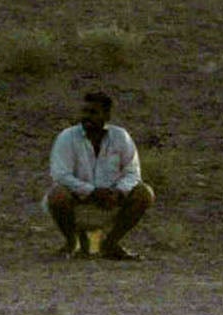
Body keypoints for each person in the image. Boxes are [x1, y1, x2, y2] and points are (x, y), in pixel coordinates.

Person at [44, 89, 154, 261]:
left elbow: (133, 173)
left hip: (112, 201)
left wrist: (118, 192)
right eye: (85, 111)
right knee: (57, 194)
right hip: (78, 199)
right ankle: (72, 244)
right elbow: (60, 175)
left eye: (93, 112)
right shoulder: (67, 137)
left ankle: (110, 244)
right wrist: (92, 191)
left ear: (107, 115)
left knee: (144, 193)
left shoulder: (121, 137)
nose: (87, 116)